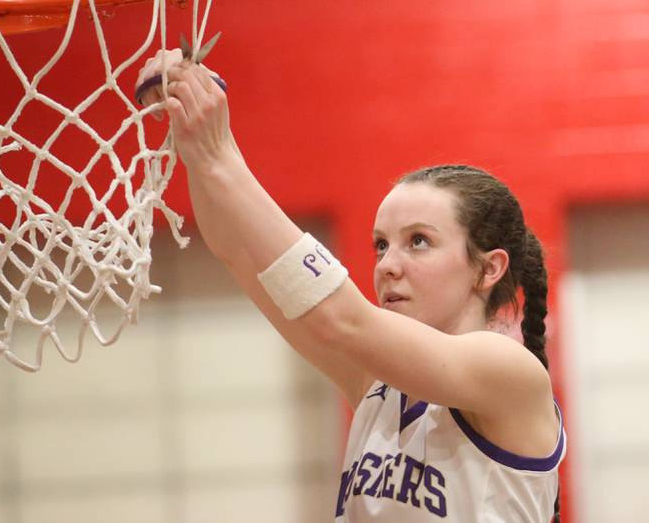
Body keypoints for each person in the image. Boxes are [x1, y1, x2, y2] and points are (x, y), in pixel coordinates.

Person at [136, 52, 565, 522]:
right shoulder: (377, 383)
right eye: (381, 245)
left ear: (488, 269)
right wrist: (197, 146)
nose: (387, 265)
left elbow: (342, 316)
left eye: (418, 242)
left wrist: (223, 153)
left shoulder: (508, 370)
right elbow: (237, 252)